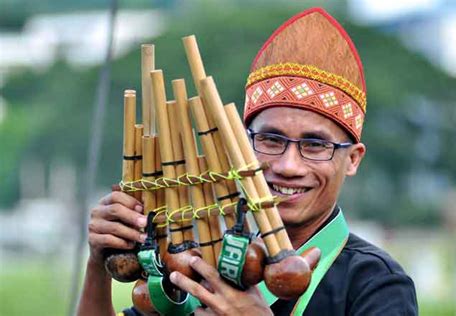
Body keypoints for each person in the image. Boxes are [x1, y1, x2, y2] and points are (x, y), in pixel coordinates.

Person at [77, 7, 418, 316]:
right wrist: (98, 262)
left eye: (315, 145)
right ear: (241, 143)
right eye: (271, 139)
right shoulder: (198, 259)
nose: (288, 166)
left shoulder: (377, 285)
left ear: (353, 159)